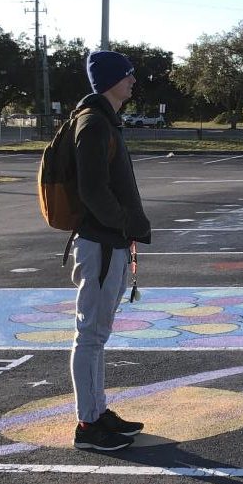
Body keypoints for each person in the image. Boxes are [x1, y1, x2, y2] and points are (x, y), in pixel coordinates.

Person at [69, 49, 152, 452]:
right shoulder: (93, 122)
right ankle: (88, 426)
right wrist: (121, 223)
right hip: (100, 243)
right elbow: (92, 189)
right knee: (90, 335)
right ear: (110, 80)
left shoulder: (105, 119)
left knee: (98, 335)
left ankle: (97, 411)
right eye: (128, 74)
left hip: (111, 241)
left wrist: (126, 230)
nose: (134, 80)